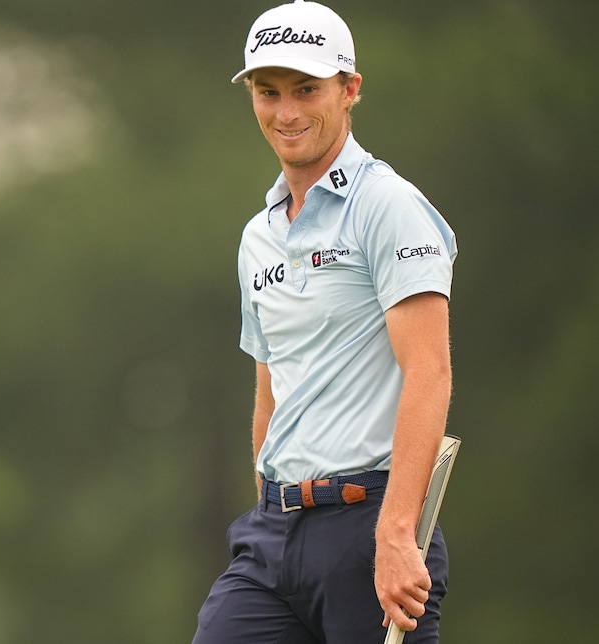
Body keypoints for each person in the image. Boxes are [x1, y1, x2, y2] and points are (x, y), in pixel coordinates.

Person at [191, 2, 458, 643]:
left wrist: (396, 534)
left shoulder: (387, 206)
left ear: (349, 89)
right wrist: (266, 510)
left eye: (306, 90)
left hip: (368, 525)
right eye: (268, 92)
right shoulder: (257, 237)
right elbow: (270, 389)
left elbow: (429, 371)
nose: (286, 113)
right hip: (274, 532)